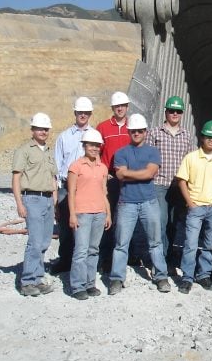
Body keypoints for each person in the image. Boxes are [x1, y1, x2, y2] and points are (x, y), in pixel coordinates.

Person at [108, 113, 171, 295]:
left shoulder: (153, 151)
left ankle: (161, 276)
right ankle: (116, 279)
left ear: (145, 132)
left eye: (140, 131)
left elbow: (150, 173)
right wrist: (138, 173)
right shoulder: (120, 153)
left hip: (149, 202)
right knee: (121, 243)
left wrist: (130, 173)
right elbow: (120, 175)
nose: (136, 133)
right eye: (133, 131)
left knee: (155, 242)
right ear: (129, 132)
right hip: (126, 203)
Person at [176, 121, 212, 294]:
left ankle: (204, 274)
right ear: (202, 137)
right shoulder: (191, 158)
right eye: (208, 137)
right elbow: (181, 180)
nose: (211, 140)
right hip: (196, 207)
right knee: (190, 243)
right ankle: (187, 277)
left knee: (209, 244)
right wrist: (190, 202)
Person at [12, 113, 58, 297]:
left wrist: (54, 199)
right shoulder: (24, 150)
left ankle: (38, 278)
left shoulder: (48, 151)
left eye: (46, 129)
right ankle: (27, 281)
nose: (43, 131)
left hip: (47, 200)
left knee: (45, 241)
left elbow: (53, 177)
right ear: (33, 130)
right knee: (35, 241)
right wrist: (19, 203)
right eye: (40, 128)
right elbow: (16, 178)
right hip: (32, 199)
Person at [146, 96, 194, 272]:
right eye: (171, 111)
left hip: (179, 186)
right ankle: (159, 260)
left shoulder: (186, 135)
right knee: (161, 221)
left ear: (182, 114)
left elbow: (190, 162)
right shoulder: (155, 133)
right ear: (165, 112)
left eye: (178, 111)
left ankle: (171, 258)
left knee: (175, 223)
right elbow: (149, 157)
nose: (174, 114)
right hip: (160, 183)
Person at [51, 96, 94, 274]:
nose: (83, 115)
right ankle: (65, 260)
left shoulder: (94, 136)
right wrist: (55, 196)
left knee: (85, 227)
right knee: (66, 226)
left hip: (86, 188)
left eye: (86, 112)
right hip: (66, 187)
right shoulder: (64, 137)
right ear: (75, 113)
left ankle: (83, 262)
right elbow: (56, 167)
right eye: (80, 112)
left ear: (90, 114)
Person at [67, 128, 111, 300]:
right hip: (82, 213)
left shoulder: (102, 168)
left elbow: (104, 192)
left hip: (99, 213)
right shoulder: (76, 166)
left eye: (97, 145)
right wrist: (72, 214)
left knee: (93, 250)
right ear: (84, 145)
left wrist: (108, 213)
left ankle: (90, 283)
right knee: (81, 250)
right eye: (91, 145)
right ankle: (77, 286)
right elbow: (71, 192)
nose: (94, 148)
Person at [95, 91, 131, 271]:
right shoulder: (102, 128)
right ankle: (107, 257)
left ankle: (125, 254)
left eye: (123, 106)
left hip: (129, 178)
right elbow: (96, 153)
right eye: (117, 106)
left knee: (126, 217)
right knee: (108, 217)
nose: (120, 109)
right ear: (113, 108)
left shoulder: (133, 127)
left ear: (127, 107)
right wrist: (102, 173)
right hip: (110, 177)